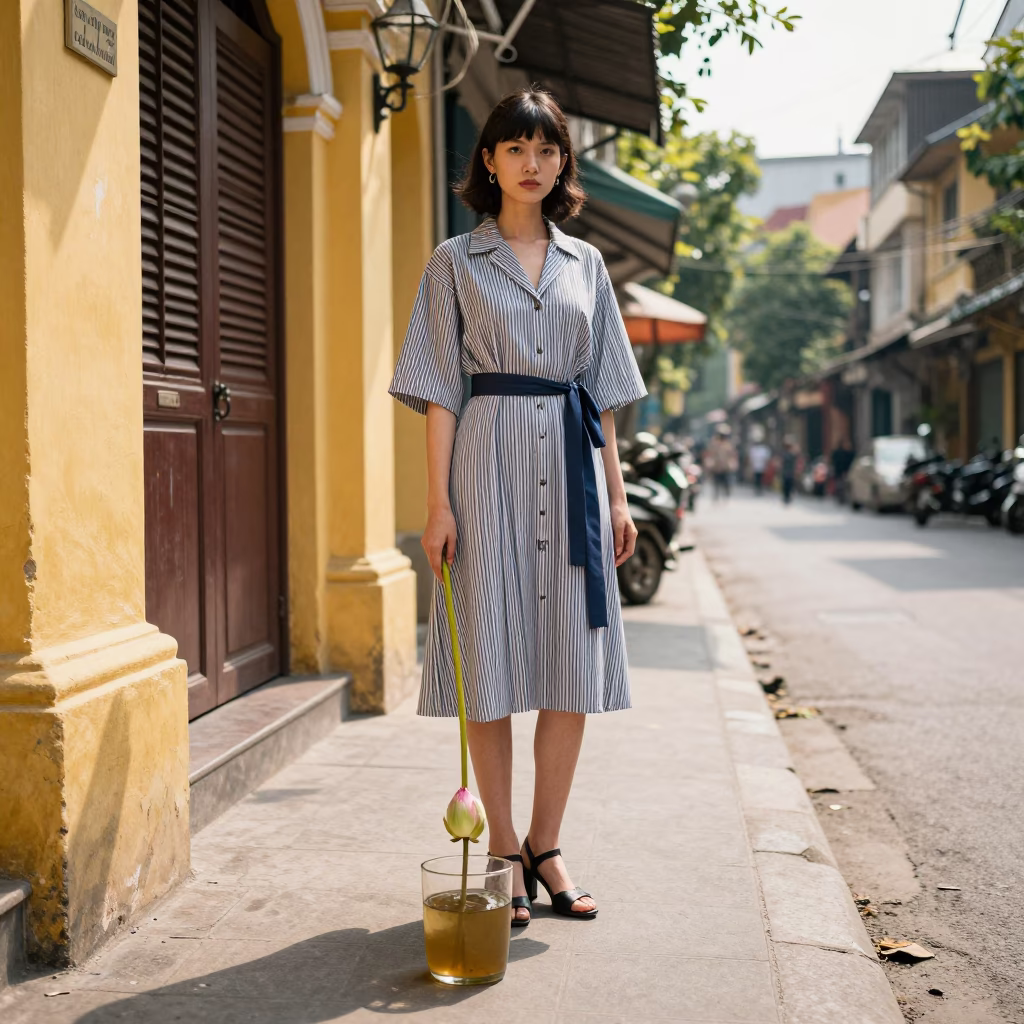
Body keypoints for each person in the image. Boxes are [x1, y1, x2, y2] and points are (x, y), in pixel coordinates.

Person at [389, 88, 646, 928]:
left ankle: (547, 842)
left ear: (563, 163)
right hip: (487, 467)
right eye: (515, 149)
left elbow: (603, 390)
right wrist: (438, 506)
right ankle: (501, 847)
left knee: (569, 666)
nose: (532, 164)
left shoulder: (589, 267)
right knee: (490, 663)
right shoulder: (454, 262)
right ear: (489, 161)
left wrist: (616, 492)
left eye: (547, 150)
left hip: (572, 470)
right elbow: (437, 391)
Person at [704, 427, 737, 500]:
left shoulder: (728, 444)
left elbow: (732, 455)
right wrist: (709, 463)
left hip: (725, 467)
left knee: (726, 482)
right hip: (716, 467)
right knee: (716, 483)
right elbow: (710, 454)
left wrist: (732, 463)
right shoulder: (714, 443)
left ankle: (726, 496)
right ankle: (716, 497)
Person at [830, 437, 855, 504]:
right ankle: (840, 498)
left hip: (848, 472)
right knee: (840, 485)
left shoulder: (850, 453)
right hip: (839, 472)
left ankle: (845, 497)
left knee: (846, 485)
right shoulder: (838, 452)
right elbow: (835, 462)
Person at [780, 437, 800, 505]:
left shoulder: (787, 454)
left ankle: (787, 497)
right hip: (788, 472)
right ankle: (787, 497)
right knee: (787, 485)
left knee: (787, 485)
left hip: (788, 472)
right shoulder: (788, 454)